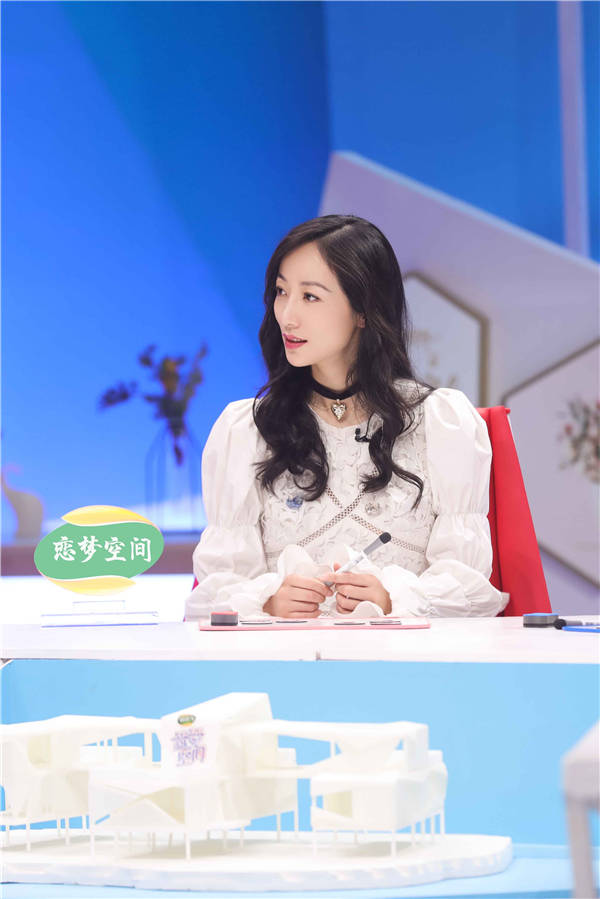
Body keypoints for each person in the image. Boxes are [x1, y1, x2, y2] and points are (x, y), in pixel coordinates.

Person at [185, 214, 507, 620]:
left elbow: (469, 586)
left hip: (406, 655)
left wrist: (392, 601)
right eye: (281, 292)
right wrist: (266, 603)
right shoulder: (247, 430)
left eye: (310, 296)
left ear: (363, 310)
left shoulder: (441, 423)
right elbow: (215, 590)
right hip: (285, 653)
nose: (287, 316)